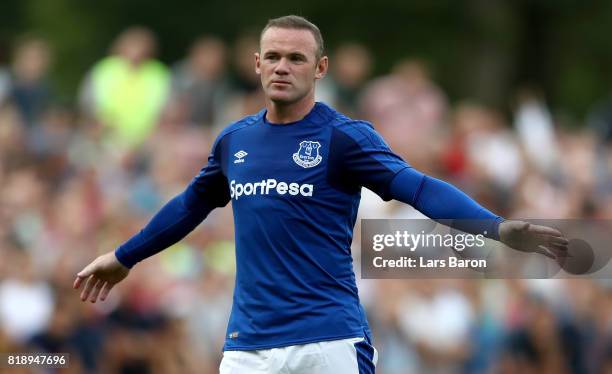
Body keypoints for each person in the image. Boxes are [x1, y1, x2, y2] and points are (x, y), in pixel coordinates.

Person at [74, 15, 568, 373]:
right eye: (272, 56)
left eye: (296, 58)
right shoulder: (234, 141)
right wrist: (125, 256)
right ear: (256, 64)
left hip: (328, 340)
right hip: (248, 347)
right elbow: (188, 207)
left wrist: (498, 228)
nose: (282, 67)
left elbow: (417, 187)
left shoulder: (344, 137)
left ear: (321, 68)